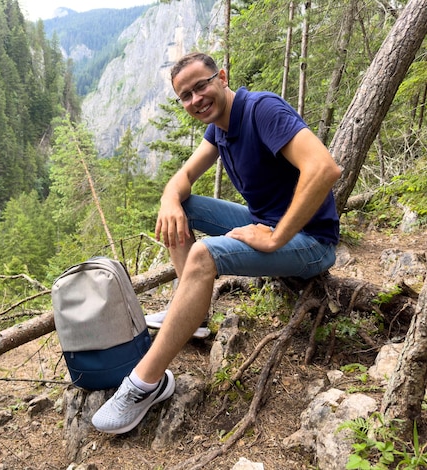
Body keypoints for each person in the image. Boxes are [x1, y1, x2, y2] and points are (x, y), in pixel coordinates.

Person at [91, 52, 341, 434]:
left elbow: (324, 167)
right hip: (266, 223)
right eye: (185, 96)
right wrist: (169, 199)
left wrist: (277, 237)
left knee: (205, 254)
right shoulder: (219, 127)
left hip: (311, 242)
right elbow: (184, 177)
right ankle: (194, 317)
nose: (196, 99)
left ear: (221, 77)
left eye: (201, 85)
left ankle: (146, 383)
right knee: (182, 207)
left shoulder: (261, 110)